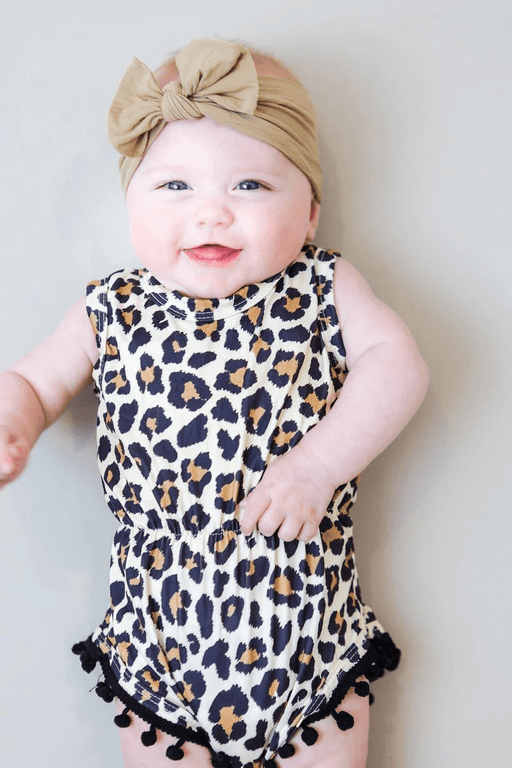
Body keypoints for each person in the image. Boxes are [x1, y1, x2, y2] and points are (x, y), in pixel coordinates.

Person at [0, 38, 428, 768]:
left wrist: (316, 467)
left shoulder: (322, 287)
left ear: (312, 212)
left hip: (310, 638)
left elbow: (399, 367)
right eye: (174, 188)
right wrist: (14, 420)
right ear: (130, 200)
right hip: (158, 644)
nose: (212, 215)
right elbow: (36, 382)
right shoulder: (114, 305)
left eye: (251, 187)